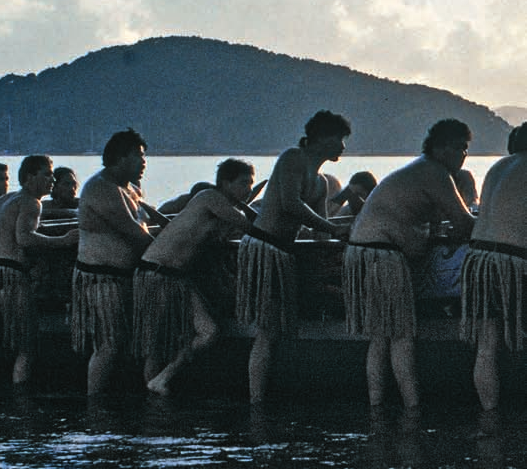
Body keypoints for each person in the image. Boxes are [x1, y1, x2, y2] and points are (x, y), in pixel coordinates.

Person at [344, 119, 475, 409]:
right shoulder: (434, 172)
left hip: (363, 251)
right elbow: (465, 222)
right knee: (401, 336)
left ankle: (377, 408)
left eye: (466, 150)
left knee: (380, 339)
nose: (463, 155)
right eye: (458, 148)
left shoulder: (420, 169)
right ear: (439, 148)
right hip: (382, 254)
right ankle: (412, 410)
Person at [236, 110, 351, 403]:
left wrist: (346, 238)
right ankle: (256, 400)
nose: (343, 146)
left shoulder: (322, 182)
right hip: (263, 248)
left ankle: (271, 394)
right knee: (266, 329)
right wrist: (333, 229)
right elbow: (290, 203)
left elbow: (321, 233)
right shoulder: (292, 158)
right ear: (322, 138)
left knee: (278, 329)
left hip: (284, 253)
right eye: (339, 139)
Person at [134, 159, 256, 395]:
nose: (248, 188)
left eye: (251, 183)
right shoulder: (209, 198)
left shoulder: (224, 210)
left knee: (208, 331)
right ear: (224, 183)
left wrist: (244, 205)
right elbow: (252, 226)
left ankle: (162, 379)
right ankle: (151, 405)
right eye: (243, 183)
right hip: (156, 273)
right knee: (156, 345)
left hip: (179, 279)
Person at [0, 154, 77, 384]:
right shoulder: (31, 202)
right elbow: (24, 238)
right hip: (7, 274)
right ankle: (21, 402)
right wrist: (64, 241)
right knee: (25, 343)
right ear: (30, 177)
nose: (52, 179)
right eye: (47, 174)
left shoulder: (2, 200)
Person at [74, 129, 156, 395]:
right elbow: (136, 234)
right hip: (101, 279)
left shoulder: (130, 188)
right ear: (120, 158)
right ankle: (94, 404)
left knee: (124, 344)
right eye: (138, 156)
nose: (144, 162)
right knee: (107, 345)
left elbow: (146, 222)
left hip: (123, 278)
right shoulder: (101, 188)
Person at [462, 124, 527, 410]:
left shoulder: (498, 166)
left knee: (486, 346)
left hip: (479, 259)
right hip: (513, 262)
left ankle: (489, 414)